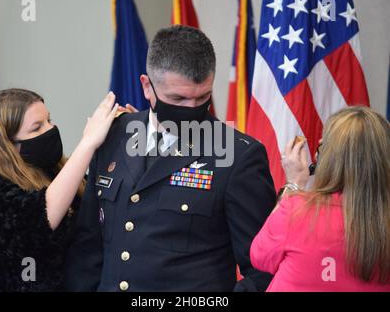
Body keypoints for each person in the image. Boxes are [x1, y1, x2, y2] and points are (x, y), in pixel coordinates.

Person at [65, 25, 276, 292]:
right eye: (178, 99)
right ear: (147, 87)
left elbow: (264, 268)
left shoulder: (237, 155)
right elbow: (88, 248)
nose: (192, 109)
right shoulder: (112, 135)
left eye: (202, 97)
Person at [0, 88, 119, 291]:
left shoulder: (55, 173)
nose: (50, 130)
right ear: (7, 145)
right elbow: (38, 219)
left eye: (49, 120)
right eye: (36, 128)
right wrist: (87, 143)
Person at [250, 106, 390, 291]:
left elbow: (260, 257)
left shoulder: (296, 210)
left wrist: (294, 184)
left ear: (327, 158)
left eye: (322, 146)